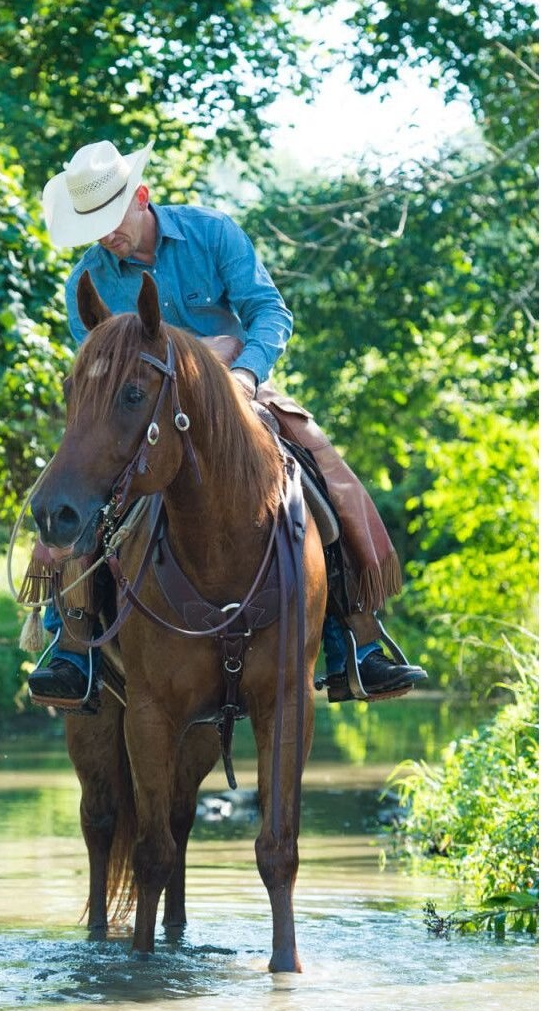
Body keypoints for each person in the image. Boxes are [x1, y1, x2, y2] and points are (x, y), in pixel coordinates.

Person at [27, 138, 426, 708]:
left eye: (112, 217)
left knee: (323, 472)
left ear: (141, 197)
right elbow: (101, 376)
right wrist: (204, 350)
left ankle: (351, 637)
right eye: (92, 223)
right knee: (76, 490)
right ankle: (72, 644)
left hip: (238, 399)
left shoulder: (212, 234)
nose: (105, 233)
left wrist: (240, 374)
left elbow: (269, 311)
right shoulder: (86, 284)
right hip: (139, 419)